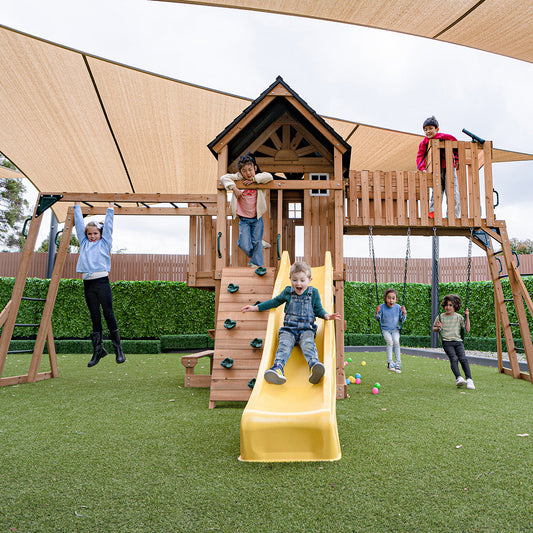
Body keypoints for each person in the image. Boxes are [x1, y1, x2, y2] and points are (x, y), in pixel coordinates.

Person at [241, 261, 341, 385]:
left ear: (310, 280)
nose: (298, 283)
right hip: (289, 330)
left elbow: (318, 309)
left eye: (302, 280)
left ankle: (314, 366)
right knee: (284, 345)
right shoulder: (288, 292)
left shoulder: (313, 293)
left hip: (306, 330)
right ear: (290, 279)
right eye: (294, 280)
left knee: (308, 344)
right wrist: (256, 307)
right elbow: (275, 302)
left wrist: (327, 315)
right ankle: (277, 368)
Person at [74, 201, 125, 367]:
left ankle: (118, 348)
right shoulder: (84, 243)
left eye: (95, 233)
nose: (92, 236)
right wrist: (77, 207)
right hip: (88, 284)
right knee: (94, 316)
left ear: (100, 234)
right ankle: (98, 350)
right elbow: (78, 224)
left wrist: (110, 208)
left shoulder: (105, 243)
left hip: (102, 282)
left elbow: (109, 226)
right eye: (90, 234)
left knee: (108, 313)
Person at [220, 152, 273, 268]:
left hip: (257, 218)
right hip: (243, 219)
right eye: (244, 171)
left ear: (255, 168)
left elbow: (269, 176)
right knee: (244, 245)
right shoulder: (239, 178)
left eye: (250, 169)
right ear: (240, 172)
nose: (247, 173)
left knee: (256, 242)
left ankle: (256, 264)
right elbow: (223, 178)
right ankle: (258, 247)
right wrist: (234, 188)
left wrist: (254, 180)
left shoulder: (258, 177)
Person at [416, 116, 460, 219]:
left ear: (437, 129)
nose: (428, 131)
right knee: (436, 191)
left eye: (431, 128)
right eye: (425, 129)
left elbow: (456, 146)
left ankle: (453, 215)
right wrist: (423, 168)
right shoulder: (424, 142)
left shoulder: (444, 137)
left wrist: (456, 160)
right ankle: (433, 214)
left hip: (449, 167)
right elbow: (420, 156)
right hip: (435, 170)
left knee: (452, 191)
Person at [433, 294, 475, 389]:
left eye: (451, 305)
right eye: (446, 305)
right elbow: (434, 328)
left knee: (463, 359)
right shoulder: (440, 317)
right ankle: (459, 378)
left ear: (455, 306)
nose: (448, 307)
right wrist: (438, 327)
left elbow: (467, 329)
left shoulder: (459, 317)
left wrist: (467, 316)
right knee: (454, 358)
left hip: (458, 341)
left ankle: (469, 380)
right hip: (447, 342)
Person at [375, 288, 407, 373]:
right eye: (389, 298)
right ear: (385, 298)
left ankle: (398, 363)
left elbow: (402, 320)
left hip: (395, 329)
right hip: (385, 329)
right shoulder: (381, 307)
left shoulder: (398, 308)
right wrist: (377, 313)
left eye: (393, 298)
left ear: (396, 299)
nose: (391, 300)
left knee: (396, 342)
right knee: (389, 342)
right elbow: (377, 319)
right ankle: (390, 363)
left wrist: (404, 313)